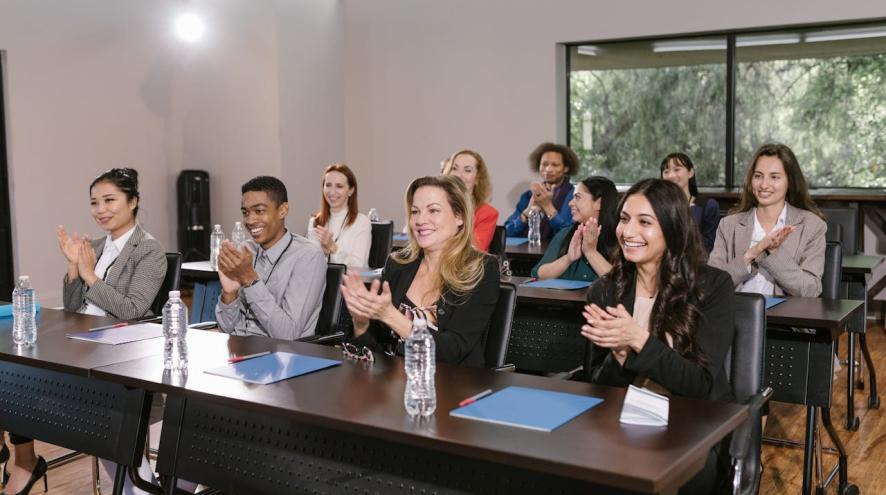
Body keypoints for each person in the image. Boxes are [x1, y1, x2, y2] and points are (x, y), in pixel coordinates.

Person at [582, 178, 735, 494]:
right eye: (624, 219)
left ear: (672, 228)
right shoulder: (604, 290)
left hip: (692, 426)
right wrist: (620, 356)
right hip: (623, 421)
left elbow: (701, 385)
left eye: (644, 222)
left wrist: (638, 340)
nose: (628, 231)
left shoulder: (713, 287)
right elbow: (597, 385)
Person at [30, 167, 166, 495]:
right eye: (94, 203)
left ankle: (138, 485)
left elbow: (132, 310)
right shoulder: (96, 245)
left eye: (109, 200)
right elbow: (75, 307)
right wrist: (73, 268)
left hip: (122, 353)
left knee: (92, 411)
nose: (100, 210)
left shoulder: (149, 251)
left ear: (133, 201)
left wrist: (90, 275)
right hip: (84, 343)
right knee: (21, 372)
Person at [340, 175, 499, 367]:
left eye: (433, 210)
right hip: (391, 385)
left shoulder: (481, 269)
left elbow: (453, 350)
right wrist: (361, 322)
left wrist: (391, 315)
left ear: (460, 217)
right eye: (415, 212)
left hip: (449, 388)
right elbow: (376, 349)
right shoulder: (398, 264)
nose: (420, 220)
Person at [216, 176, 326, 340]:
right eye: (246, 213)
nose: (250, 220)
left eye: (259, 211)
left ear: (283, 210)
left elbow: (288, 335)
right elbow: (226, 330)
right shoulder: (247, 251)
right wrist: (229, 294)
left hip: (283, 358)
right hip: (239, 353)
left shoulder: (308, 256)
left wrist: (250, 281)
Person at [708, 143, 826, 297]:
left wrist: (774, 252)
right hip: (733, 316)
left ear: (789, 181)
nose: (764, 185)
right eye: (758, 176)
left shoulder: (812, 226)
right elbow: (711, 285)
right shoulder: (728, 225)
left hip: (782, 319)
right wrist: (752, 253)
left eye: (774, 177)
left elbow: (810, 290)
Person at [531, 176, 617, 282]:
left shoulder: (620, 239)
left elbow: (621, 284)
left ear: (598, 203)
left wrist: (591, 252)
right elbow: (538, 274)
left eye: (577, 197)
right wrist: (568, 259)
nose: (570, 203)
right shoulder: (566, 234)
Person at [504, 142, 579, 241]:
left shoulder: (574, 196)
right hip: (524, 254)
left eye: (555, 165)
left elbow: (569, 236)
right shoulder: (529, 195)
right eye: (544, 164)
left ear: (566, 168)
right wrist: (527, 213)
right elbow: (506, 233)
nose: (548, 169)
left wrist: (548, 207)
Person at [307, 164, 372, 267]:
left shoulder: (362, 222)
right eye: (328, 185)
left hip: (347, 282)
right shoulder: (315, 222)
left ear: (350, 190)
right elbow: (309, 264)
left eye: (339, 186)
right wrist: (323, 253)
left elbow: (359, 265)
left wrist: (333, 248)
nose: (332, 192)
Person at [660, 152, 720, 252]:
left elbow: (708, 246)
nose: (670, 175)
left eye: (676, 169)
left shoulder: (708, 206)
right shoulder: (657, 205)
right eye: (666, 171)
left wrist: (685, 217)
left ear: (690, 173)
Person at [443, 149, 499, 251]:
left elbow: (474, 250)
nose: (459, 175)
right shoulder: (433, 207)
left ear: (478, 178)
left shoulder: (487, 213)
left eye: (467, 170)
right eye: (454, 168)